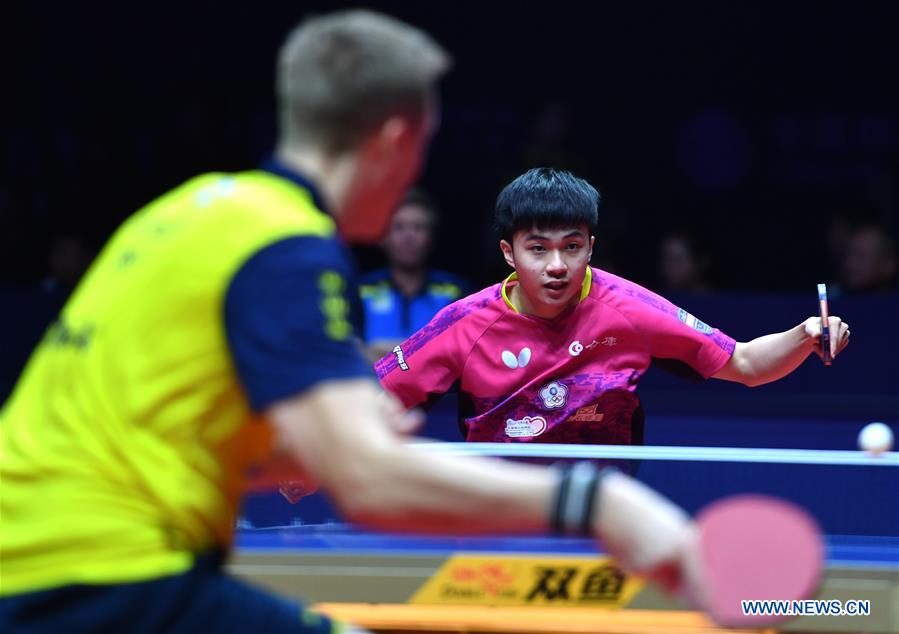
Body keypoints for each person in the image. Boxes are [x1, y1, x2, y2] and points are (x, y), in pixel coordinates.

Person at [1, 10, 713, 634]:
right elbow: (368, 485)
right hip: (92, 569)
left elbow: (159, 427)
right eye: (419, 150)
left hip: (40, 553)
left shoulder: (191, 211)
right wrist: (597, 501)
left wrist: (306, 452)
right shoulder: (289, 247)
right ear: (392, 140)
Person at [376, 168, 850, 447]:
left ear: (591, 247)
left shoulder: (628, 309)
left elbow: (744, 363)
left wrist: (806, 335)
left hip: (602, 523)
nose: (557, 265)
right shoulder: (464, 324)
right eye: (538, 249)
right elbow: (371, 398)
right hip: (493, 521)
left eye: (572, 246)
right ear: (508, 253)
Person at [359, 189, 467, 362]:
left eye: (418, 227)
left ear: (431, 237)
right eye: (399, 227)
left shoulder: (456, 291)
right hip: (371, 388)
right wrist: (426, 350)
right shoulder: (361, 290)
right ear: (383, 237)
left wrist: (381, 351)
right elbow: (348, 351)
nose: (408, 236)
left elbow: (461, 352)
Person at [839, 223, 898, 294]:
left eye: (860, 257)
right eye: (847, 254)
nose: (849, 263)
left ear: (889, 265)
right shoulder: (826, 298)